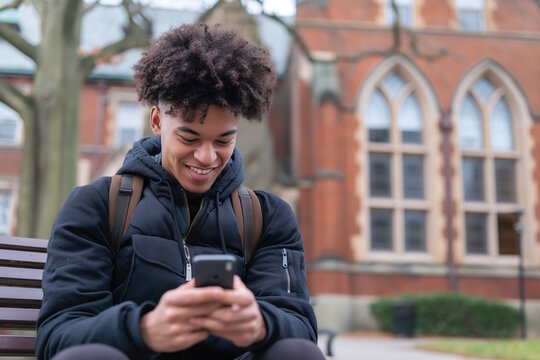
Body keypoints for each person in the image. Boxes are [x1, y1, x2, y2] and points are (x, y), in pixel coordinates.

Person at [36, 23, 325, 360]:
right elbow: (58, 336)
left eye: (223, 140)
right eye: (189, 138)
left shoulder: (267, 217)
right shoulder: (97, 206)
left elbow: (300, 328)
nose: (206, 157)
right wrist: (143, 329)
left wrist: (261, 324)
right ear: (157, 121)